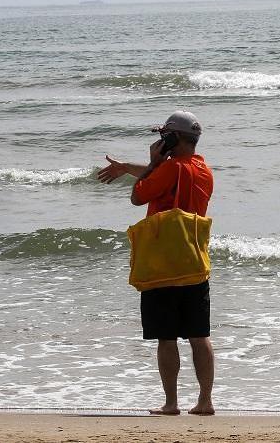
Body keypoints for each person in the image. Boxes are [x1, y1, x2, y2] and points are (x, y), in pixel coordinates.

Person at [97, 111, 216, 416]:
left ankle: (171, 403)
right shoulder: (203, 169)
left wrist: (150, 164)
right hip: (194, 261)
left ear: (172, 138)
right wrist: (128, 168)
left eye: (164, 136)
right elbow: (168, 177)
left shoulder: (167, 169)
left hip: (164, 265)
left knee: (166, 338)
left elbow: (139, 197)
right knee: (199, 336)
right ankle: (205, 401)